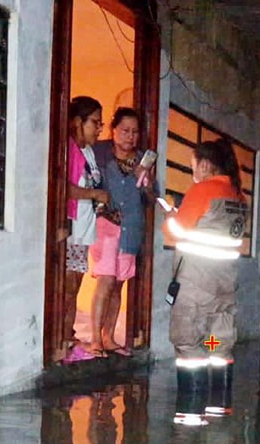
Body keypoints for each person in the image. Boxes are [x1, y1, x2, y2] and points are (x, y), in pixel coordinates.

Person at [162, 139, 246, 393]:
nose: (194, 172)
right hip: (224, 289)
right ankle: (219, 409)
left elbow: (176, 232)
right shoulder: (238, 196)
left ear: (206, 165)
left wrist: (170, 216)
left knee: (189, 346)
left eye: (194, 166)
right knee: (217, 345)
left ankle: (190, 413)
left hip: (196, 289)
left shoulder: (202, 190)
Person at [88, 107, 155, 357]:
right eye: (125, 130)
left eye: (135, 132)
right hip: (105, 227)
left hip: (131, 229)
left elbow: (151, 198)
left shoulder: (142, 161)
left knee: (118, 284)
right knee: (105, 280)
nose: (130, 136)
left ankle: (108, 337)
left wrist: (146, 181)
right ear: (113, 129)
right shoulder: (99, 153)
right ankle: (95, 338)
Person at [64, 96, 108, 356]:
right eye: (95, 122)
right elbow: (64, 188)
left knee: (76, 286)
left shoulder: (89, 152)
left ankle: (68, 336)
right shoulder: (67, 149)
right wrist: (94, 195)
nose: (99, 128)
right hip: (71, 229)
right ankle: (62, 338)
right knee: (67, 287)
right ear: (77, 122)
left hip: (85, 229)